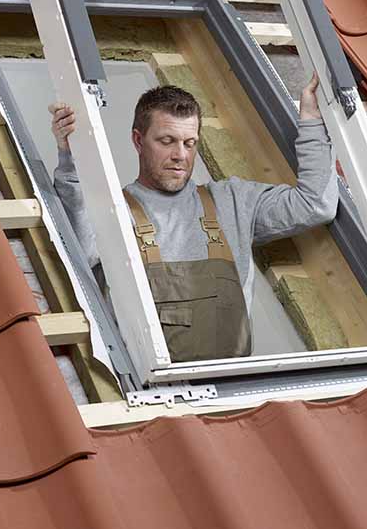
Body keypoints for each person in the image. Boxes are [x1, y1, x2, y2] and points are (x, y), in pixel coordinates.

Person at [50, 74, 337, 362]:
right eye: (167, 141)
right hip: (157, 396)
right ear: (138, 140)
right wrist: (70, 156)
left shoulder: (233, 201)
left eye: (190, 143)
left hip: (236, 388)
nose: (180, 155)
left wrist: (311, 119)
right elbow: (76, 255)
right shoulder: (112, 212)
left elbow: (315, 204)